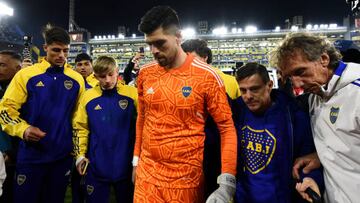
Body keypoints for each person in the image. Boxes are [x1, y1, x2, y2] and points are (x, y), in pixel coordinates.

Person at [132, 6, 237, 203]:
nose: (153, 51)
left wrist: (227, 182)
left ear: (178, 37)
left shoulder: (207, 76)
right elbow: (143, 118)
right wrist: (136, 160)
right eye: (149, 44)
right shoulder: (145, 73)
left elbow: (227, 129)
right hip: (147, 178)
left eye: (160, 43)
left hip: (185, 182)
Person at [271, 32, 360, 203]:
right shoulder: (316, 96)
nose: (297, 84)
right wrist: (322, 155)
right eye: (290, 77)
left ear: (324, 59)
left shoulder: (356, 93)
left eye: (300, 71)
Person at [0, 25, 85, 203]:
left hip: (61, 157)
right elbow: (5, 110)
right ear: (45, 48)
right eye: (56, 50)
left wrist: (77, 152)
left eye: (65, 50)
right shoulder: (26, 75)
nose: (61, 55)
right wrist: (23, 129)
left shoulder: (77, 79)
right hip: (31, 157)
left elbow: (79, 120)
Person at [232, 62, 323, 203]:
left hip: (282, 197)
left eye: (254, 89)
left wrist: (313, 180)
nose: (248, 96)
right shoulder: (236, 112)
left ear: (269, 85)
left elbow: (308, 159)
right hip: (244, 196)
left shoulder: (293, 115)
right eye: (243, 90)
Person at [73, 55, 137, 203]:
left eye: (110, 75)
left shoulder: (132, 94)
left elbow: (144, 125)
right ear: (95, 76)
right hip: (97, 164)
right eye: (102, 76)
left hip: (126, 164)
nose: (107, 80)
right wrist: (80, 155)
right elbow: (80, 128)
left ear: (117, 72)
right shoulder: (87, 97)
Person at [182, 38, 240, 198]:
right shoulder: (182, 83)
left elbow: (235, 121)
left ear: (205, 57)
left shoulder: (228, 82)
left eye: (192, 59)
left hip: (215, 154)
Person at [0, 50, 22, 202]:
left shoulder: (29, 92)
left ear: (18, 69)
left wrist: (12, 152)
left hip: (18, 157)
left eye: (2, 65)